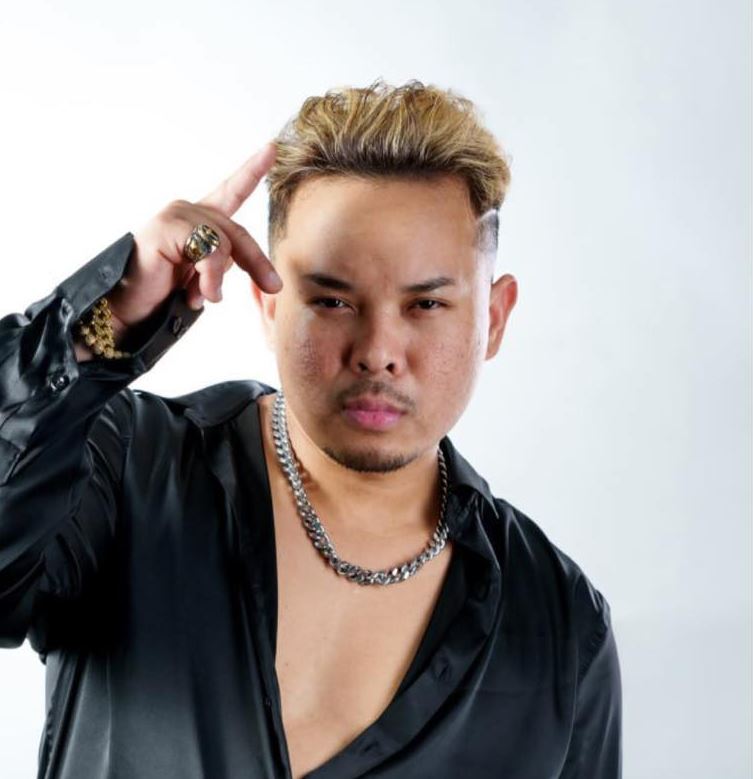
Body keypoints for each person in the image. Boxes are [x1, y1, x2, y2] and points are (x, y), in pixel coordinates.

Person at [0, 79, 622, 778]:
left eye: (424, 305)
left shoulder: (561, 631)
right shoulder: (123, 470)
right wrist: (96, 326)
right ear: (270, 306)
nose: (377, 351)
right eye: (331, 300)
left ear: (494, 318)